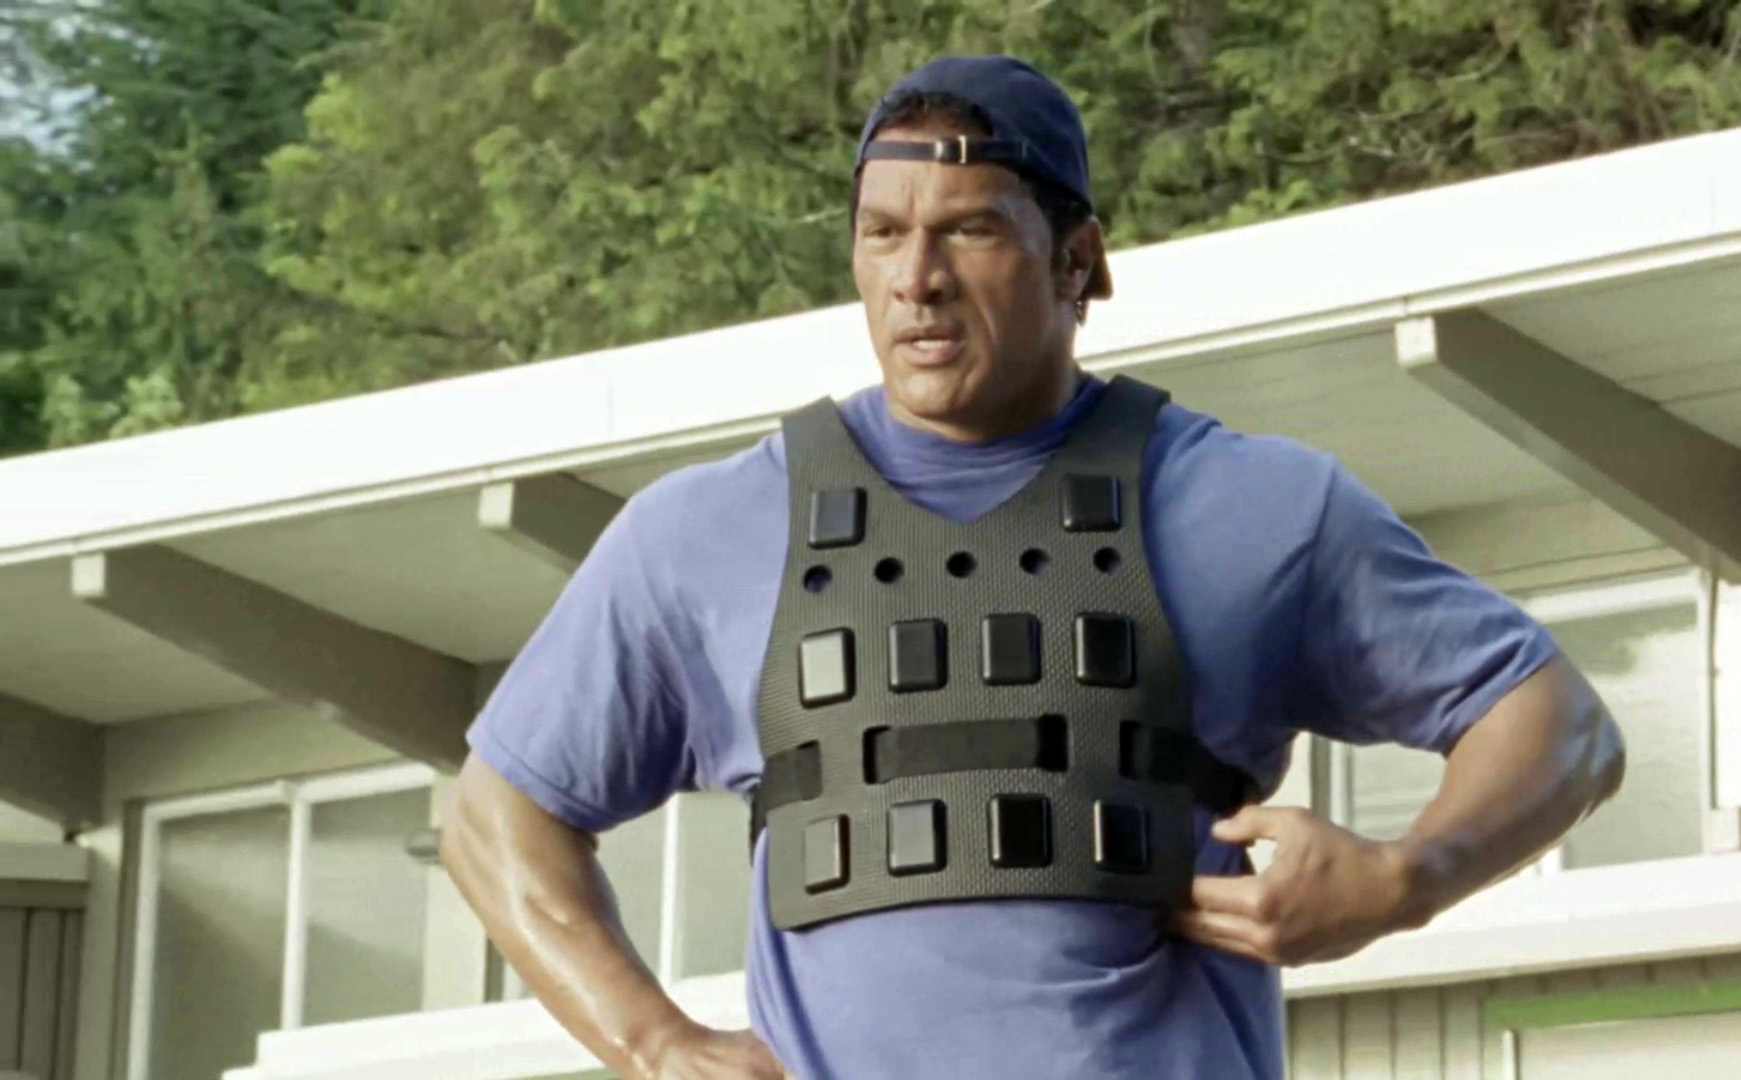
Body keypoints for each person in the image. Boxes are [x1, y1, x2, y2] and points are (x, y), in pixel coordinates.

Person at [441, 54, 1625, 1080]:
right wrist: (652, 1040)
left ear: (1078, 262)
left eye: (970, 229)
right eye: (883, 233)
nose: (917, 278)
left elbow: (1559, 722)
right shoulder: (706, 531)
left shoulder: (1260, 507)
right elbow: (497, 813)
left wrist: (1407, 877)